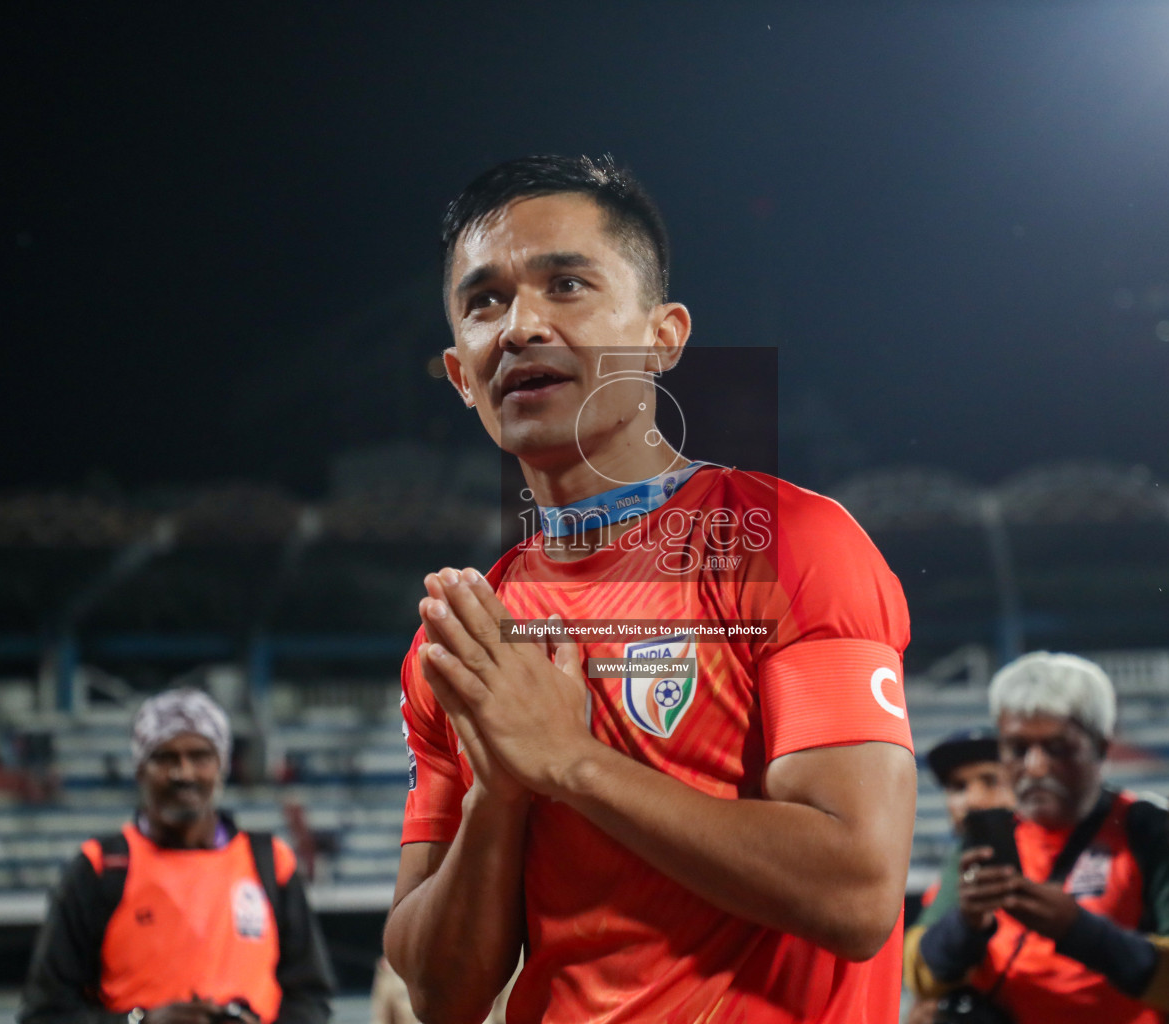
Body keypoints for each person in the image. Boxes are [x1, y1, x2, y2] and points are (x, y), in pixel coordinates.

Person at [383, 155, 918, 1024]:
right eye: (485, 302)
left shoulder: (791, 545)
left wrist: (572, 762)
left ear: (663, 337)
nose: (520, 326)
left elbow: (855, 892)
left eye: (566, 284)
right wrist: (500, 792)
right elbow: (443, 994)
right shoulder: (467, 641)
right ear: (460, 374)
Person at [905, 652, 1169, 1023]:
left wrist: (1077, 930)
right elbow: (918, 972)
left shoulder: (1148, 829)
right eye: (1018, 749)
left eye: (1058, 749)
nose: (1036, 768)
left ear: (1101, 747)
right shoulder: (986, 837)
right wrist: (966, 923)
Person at [19, 689, 334, 1024]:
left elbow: (310, 998)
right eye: (165, 758)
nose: (184, 773)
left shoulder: (271, 862)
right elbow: (44, 1013)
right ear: (140, 769)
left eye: (200, 756)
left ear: (222, 766)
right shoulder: (99, 868)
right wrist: (142, 1022)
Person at [903, 729, 1014, 1024]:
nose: (973, 800)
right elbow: (916, 970)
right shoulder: (958, 865)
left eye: (991, 781)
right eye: (957, 787)